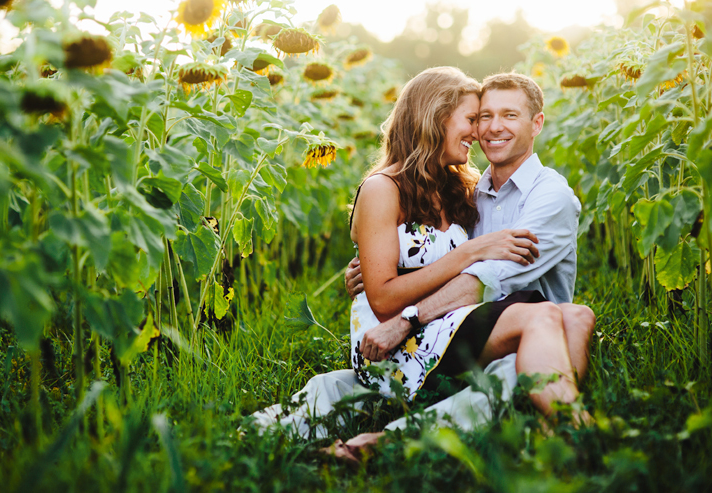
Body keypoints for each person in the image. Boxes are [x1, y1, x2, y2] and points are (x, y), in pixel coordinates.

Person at [251, 69, 595, 449]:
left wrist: (411, 299)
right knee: (544, 313)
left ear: (536, 124)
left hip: (443, 320)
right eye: (477, 118)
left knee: (577, 315)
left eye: (507, 116)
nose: (482, 131)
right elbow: (395, 288)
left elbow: (482, 274)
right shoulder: (402, 189)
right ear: (436, 119)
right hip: (400, 336)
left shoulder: (463, 189)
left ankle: (553, 433)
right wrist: (464, 253)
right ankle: (579, 431)